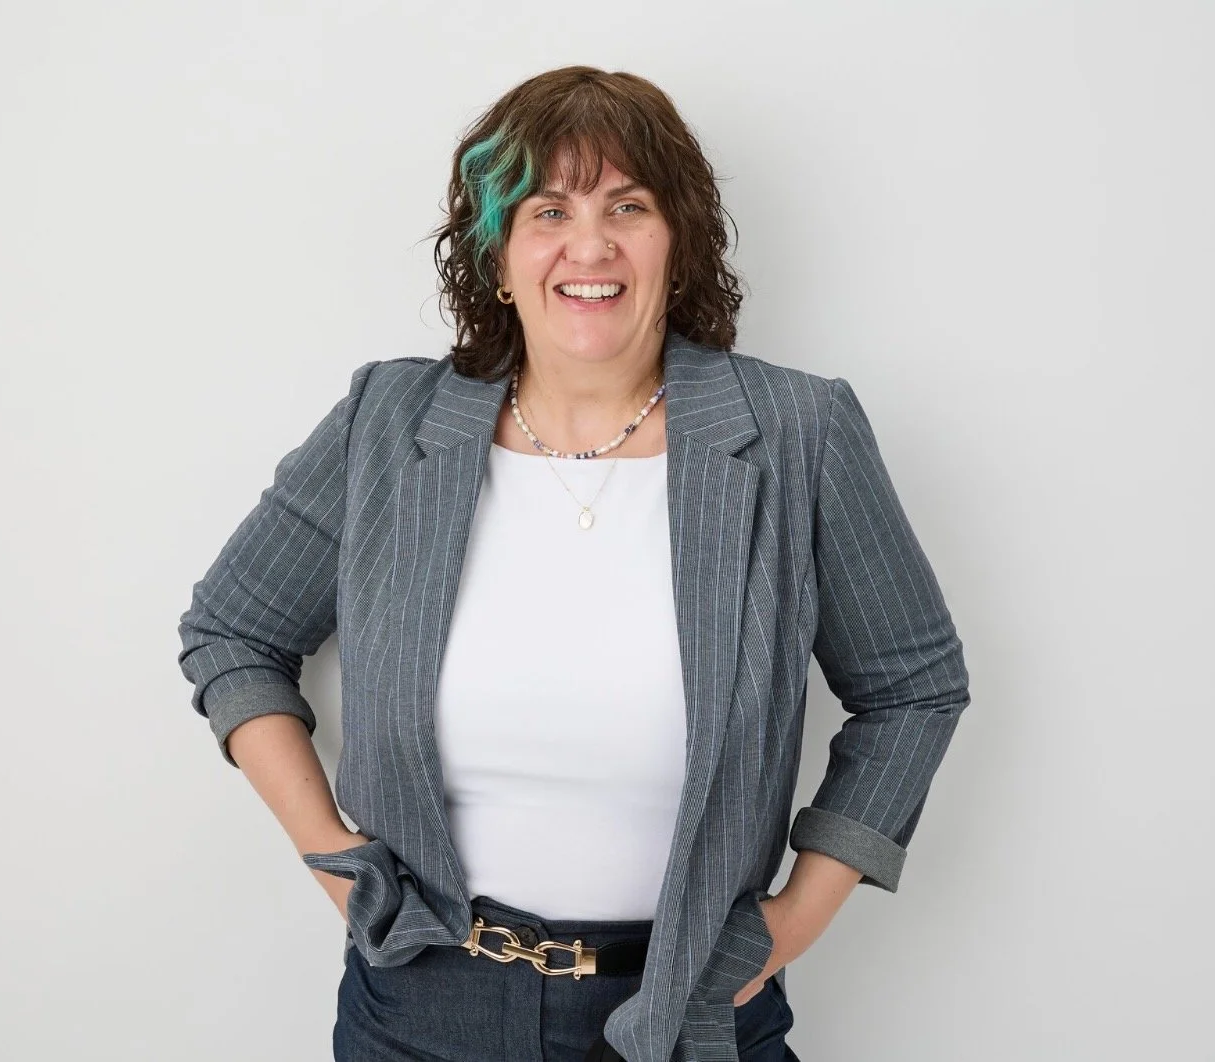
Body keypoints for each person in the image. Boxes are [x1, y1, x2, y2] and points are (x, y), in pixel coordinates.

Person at [176, 65, 970, 1062]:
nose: (588, 246)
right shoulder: (387, 424)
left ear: (675, 246)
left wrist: (793, 922)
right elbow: (232, 633)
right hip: (421, 1005)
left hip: (690, 1004)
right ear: (497, 256)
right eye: (547, 209)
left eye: (627, 206)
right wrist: (334, 862)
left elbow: (913, 688)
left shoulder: (797, 433)